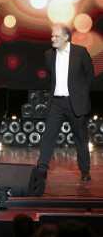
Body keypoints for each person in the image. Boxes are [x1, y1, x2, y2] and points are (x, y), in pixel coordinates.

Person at [37, 23, 94, 181]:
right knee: (48, 136)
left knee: (81, 137)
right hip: (56, 102)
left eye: (56, 36)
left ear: (66, 37)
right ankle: (41, 170)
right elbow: (50, 77)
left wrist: (80, 95)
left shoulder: (80, 52)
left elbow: (89, 75)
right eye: (52, 36)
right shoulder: (49, 54)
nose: (52, 39)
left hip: (74, 103)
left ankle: (85, 170)